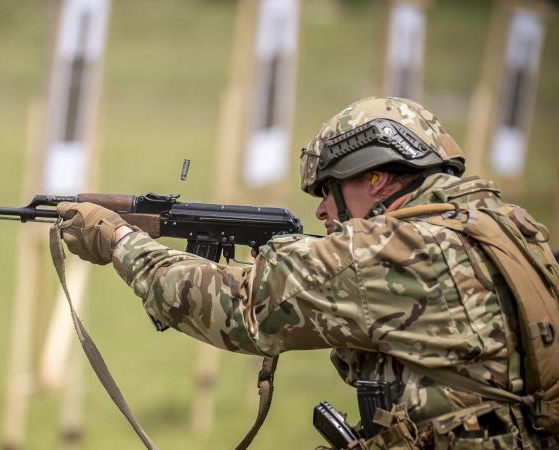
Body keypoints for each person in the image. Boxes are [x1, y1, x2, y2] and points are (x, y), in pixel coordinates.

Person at [55, 97, 559, 449]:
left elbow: (236, 308)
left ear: (377, 178)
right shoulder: (506, 227)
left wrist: (119, 240)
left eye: (329, 191)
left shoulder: (391, 250)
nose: (322, 214)